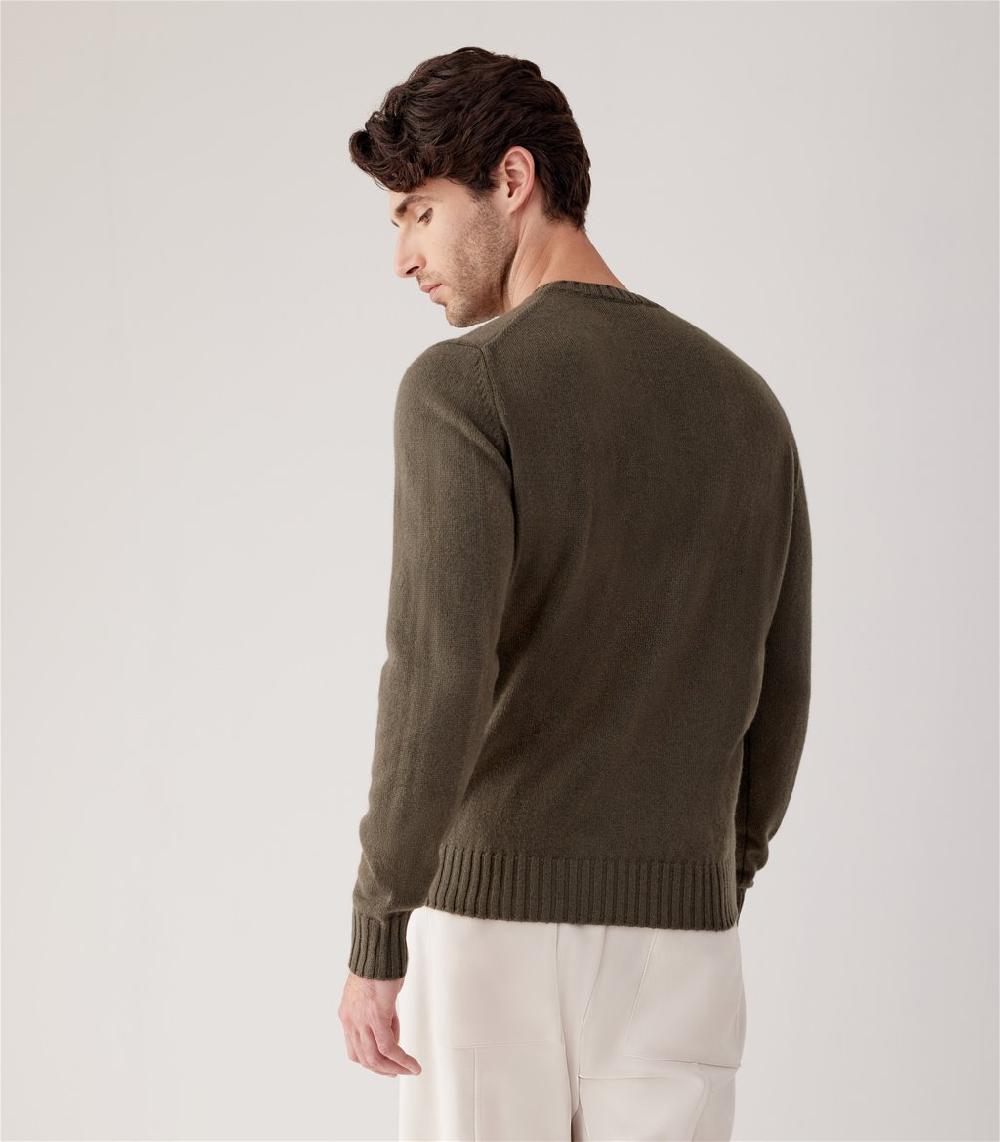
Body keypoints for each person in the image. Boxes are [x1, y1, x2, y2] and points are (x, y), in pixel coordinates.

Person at [337, 46, 812, 1142]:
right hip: (682, 943)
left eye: (419, 212)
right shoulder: (747, 405)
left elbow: (437, 674)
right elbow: (780, 686)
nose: (404, 257)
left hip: (490, 934)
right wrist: (712, 872)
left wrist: (379, 924)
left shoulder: (466, 387)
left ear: (512, 180)